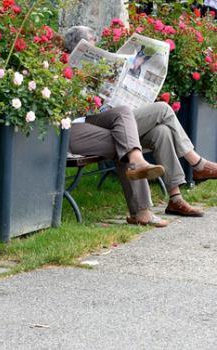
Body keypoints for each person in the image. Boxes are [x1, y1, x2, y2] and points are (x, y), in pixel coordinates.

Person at [63, 26, 217, 226]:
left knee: (160, 131)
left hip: (108, 119)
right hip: (82, 124)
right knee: (161, 110)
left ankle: (175, 199)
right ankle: (196, 165)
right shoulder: (62, 69)